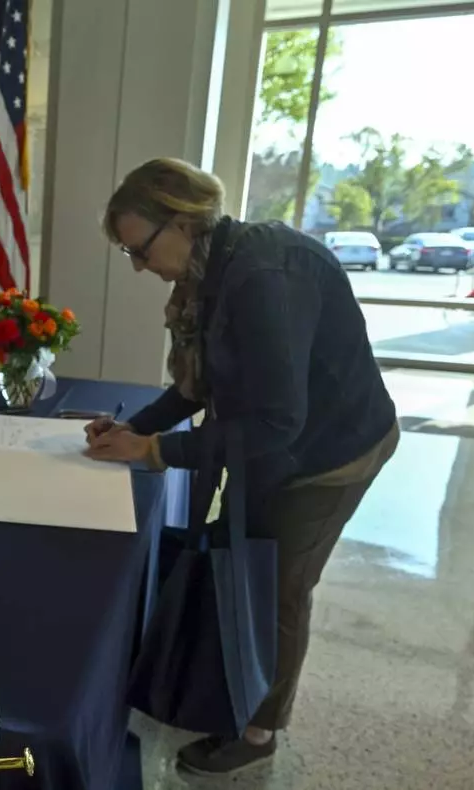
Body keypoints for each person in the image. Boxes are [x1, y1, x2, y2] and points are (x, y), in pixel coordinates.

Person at [84, 158, 399, 776]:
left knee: (280, 586)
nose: (141, 267)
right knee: (245, 564)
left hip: (333, 454)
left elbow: (276, 421)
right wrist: (139, 427)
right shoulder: (212, 271)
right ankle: (233, 680)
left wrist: (157, 454)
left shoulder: (263, 277)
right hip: (282, 444)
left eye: (139, 251)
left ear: (179, 220)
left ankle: (259, 734)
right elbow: (200, 387)